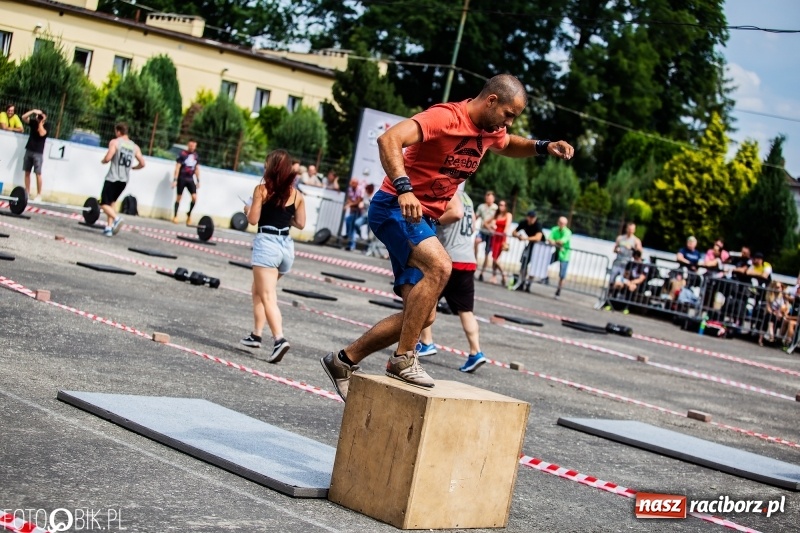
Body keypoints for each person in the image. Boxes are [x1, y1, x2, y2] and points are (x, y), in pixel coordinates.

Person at [320, 73, 574, 399]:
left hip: (423, 218)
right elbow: (389, 140)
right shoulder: (445, 117)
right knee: (441, 267)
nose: (508, 123)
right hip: (395, 207)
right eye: (508, 114)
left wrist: (543, 146)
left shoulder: (492, 131)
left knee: (422, 314)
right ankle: (403, 358)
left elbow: (509, 144)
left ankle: (343, 361)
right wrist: (404, 189)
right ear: (491, 100)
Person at [241, 149, 306, 362]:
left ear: (270, 167)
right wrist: (285, 216)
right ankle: (256, 335)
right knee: (258, 290)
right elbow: (301, 223)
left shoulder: (261, 189)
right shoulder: (297, 195)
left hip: (267, 244)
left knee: (268, 295)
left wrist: (246, 208)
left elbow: (253, 219)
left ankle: (279, 339)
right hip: (286, 247)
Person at [416, 191, 488, 372]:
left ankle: (426, 342)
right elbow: (471, 227)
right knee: (466, 310)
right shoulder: (467, 198)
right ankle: (476, 352)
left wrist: (435, 221)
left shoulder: (448, 192)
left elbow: (456, 214)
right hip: (467, 258)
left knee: (424, 297)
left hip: (448, 257)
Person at [99, 122, 145, 237]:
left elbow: (109, 157)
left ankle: (116, 218)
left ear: (118, 131)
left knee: (104, 203)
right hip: (124, 180)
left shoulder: (115, 142)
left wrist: (103, 160)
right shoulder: (134, 147)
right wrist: (133, 168)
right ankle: (109, 228)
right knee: (112, 203)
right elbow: (142, 163)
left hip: (113, 177)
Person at [511, 209, 544, 291]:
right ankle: (522, 282)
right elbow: (514, 232)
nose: (532, 219)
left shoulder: (537, 225)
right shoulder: (524, 223)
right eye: (531, 217)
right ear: (527, 217)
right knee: (524, 263)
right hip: (530, 244)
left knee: (534, 266)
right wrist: (518, 236)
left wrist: (525, 238)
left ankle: (529, 284)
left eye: (534, 217)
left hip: (539, 246)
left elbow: (538, 238)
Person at [610, 249, 649, 314]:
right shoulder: (630, 264)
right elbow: (625, 275)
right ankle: (611, 304)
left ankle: (627, 307)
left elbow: (641, 279)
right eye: (634, 258)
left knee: (631, 287)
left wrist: (631, 282)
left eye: (636, 258)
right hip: (627, 281)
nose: (635, 259)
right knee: (618, 284)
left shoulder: (644, 265)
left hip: (637, 284)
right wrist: (627, 280)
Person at [171, 139, 200, 225]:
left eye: (194, 146)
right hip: (182, 178)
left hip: (190, 179)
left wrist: (198, 180)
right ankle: (175, 216)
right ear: (188, 145)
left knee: (194, 198)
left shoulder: (196, 156)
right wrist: (175, 179)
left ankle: (189, 214)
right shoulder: (182, 154)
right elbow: (177, 167)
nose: (192, 147)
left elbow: (197, 168)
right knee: (179, 197)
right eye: (191, 146)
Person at [21, 109, 48, 201]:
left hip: (38, 152)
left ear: (45, 117)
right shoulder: (33, 123)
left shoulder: (47, 125)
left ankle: (39, 194)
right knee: (27, 172)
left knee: (38, 173)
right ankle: (27, 192)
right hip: (29, 150)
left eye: (42, 115)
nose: (39, 117)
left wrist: (41, 122)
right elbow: (24, 117)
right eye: (39, 115)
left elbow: (42, 133)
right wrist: (33, 111)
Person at [486, 199, 513, 285]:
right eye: (500, 205)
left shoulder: (508, 215)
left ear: (506, 206)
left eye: (503, 205)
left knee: (496, 259)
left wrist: (504, 233)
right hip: (495, 237)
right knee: (494, 258)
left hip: (501, 237)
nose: (501, 206)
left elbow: (507, 226)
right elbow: (486, 223)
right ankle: (494, 276)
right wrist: (491, 228)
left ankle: (503, 274)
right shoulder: (496, 215)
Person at [474, 191, 497, 281]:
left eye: (490, 198)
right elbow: (476, 217)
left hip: (491, 232)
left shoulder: (496, 208)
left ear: (493, 199)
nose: (489, 200)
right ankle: (475, 261)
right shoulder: (481, 207)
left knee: (487, 253)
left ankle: (482, 272)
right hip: (483, 231)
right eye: (487, 198)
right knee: (476, 241)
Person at [548, 216, 572, 299]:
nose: (562, 225)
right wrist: (555, 242)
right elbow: (549, 239)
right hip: (557, 252)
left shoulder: (568, 232)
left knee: (562, 275)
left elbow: (562, 241)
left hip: (565, 255)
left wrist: (554, 242)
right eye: (561, 223)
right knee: (545, 262)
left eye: (564, 224)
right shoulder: (554, 229)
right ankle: (545, 277)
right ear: (558, 222)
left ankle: (558, 291)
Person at [760, 280, 786, 346]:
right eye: (777, 287)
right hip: (770, 313)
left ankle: (772, 337)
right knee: (769, 318)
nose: (779, 289)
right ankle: (767, 337)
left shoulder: (782, 297)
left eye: (780, 287)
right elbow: (768, 308)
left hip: (778, 314)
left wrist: (778, 313)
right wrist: (774, 313)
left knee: (772, 319)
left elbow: (783, 308)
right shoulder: (770, 296)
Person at [343, 178, 364, 251]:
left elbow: (359, 201)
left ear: (356, 183)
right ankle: (350, 242)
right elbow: (349, 199)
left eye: (353, 183)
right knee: (350, 224)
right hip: (353, 210)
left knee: (352, 226)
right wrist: (351, 204)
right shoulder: (350, 189)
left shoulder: (359, 189)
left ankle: (351, 244)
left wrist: (350, 205)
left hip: (358, 211)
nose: (351, 184)